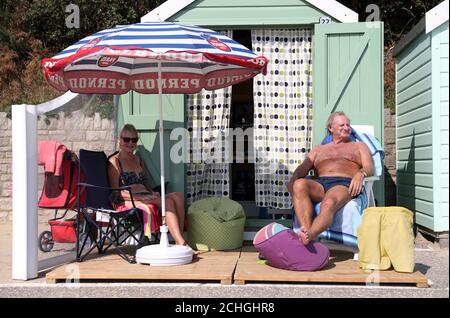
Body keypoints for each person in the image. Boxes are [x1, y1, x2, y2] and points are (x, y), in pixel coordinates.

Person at [287, 111, 374, 245]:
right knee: (299, 184)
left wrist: (360, 174)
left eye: (348, 125)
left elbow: (369, 167)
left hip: (344, 184)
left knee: (329, 202)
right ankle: (305, 230)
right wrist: (293, 180)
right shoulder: (318, 149)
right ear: (330, 128)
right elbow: (303, 168)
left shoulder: (358, 146)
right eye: (341, 125)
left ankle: (311, 235)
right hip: (321, 184)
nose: (346, 128)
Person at [108, 123, 194, 251]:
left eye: (134, 140)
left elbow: (145, 184)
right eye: (126, 139)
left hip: (146, 195)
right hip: (128, 200)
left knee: (178, 196)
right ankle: (182, 244)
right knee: (168, 202)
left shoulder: (138, 159)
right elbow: (115, 192)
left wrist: (152, 193)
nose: (130, 143)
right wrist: (141, 197)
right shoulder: (115, 161)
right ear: (119, 140)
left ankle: (179, 238)